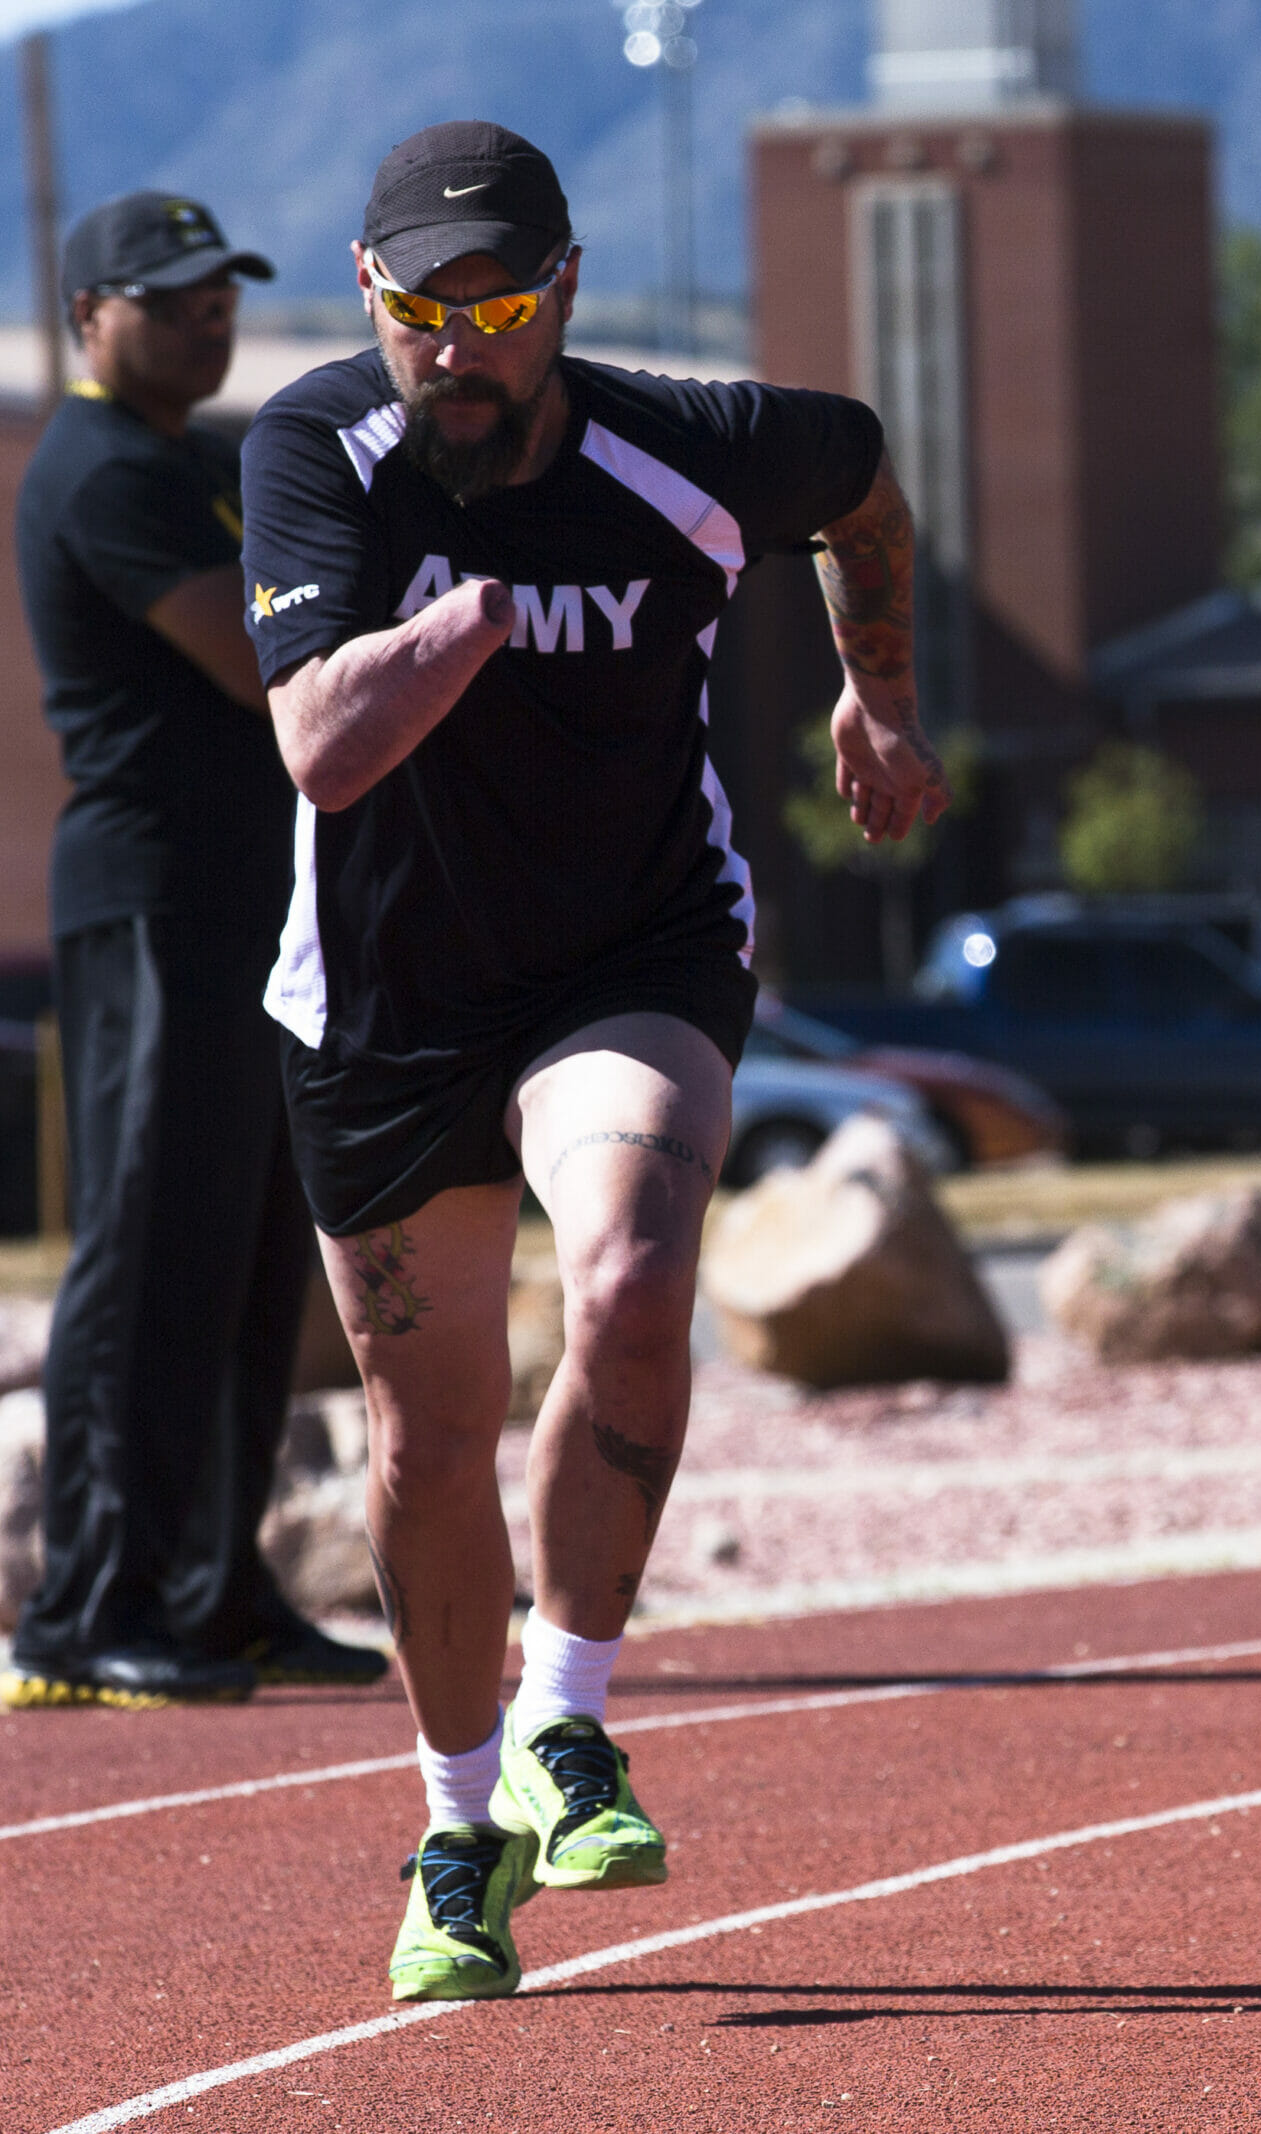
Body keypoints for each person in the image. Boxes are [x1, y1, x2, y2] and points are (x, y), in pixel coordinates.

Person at [236, 122, 945, 2001]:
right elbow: (317, 747)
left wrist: (878, 689)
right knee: (422, 1434)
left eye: (494, 305)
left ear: (564, 291)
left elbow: (864, 488)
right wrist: (452, 628)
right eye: (415, 309)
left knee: (633, 1272)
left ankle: (569, 1720)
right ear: (366, 294)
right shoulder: (317, 450)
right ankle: (459, 1822)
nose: (452, 345)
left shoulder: (692, 446)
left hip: (630, 952)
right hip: (388, 995)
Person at [3, 193, 388, 1711]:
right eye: (169, 299)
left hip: (255, 902)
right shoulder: (100, 468)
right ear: (92, 313)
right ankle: (87, 1612)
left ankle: (221, 1590)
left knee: (248, 1253)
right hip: (152, 898)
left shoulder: (210, 461)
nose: (205, 318)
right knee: (150, 1247)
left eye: (220, 293)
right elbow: (260, 654)